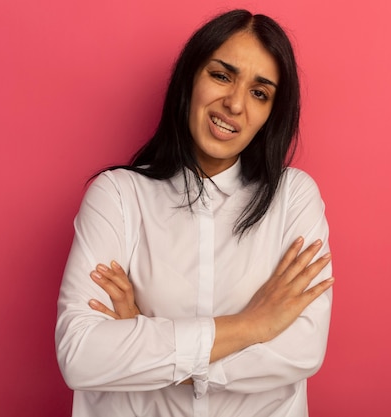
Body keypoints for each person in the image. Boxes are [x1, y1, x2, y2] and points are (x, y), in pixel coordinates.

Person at [56, 9, 334, 417]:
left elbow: (302, 350)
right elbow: (80, 356)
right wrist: (255, 325)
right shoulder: (117, 195)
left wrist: (144, 338)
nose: (235, 104)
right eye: (221, 75)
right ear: (190, 78)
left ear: (272, 113)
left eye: (260, 93)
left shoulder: (293, 197)